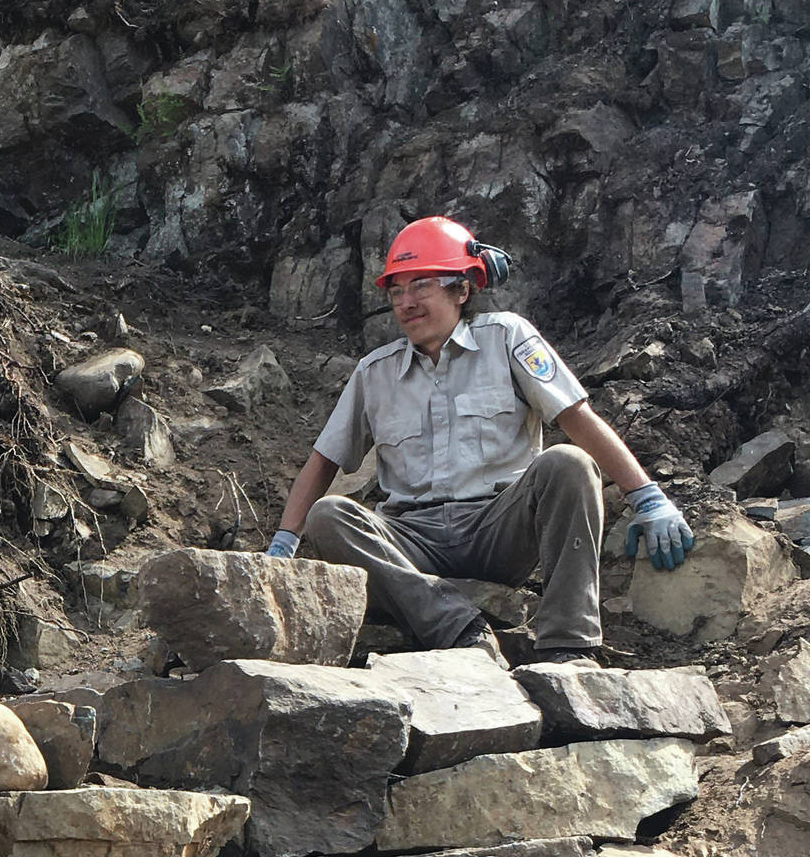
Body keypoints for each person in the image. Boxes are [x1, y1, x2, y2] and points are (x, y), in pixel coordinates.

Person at [266, 215, 693, 664]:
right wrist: (283, 545)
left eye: (420, 286)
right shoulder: (374, 372)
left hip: (496, 529)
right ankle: (460, 629)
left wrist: (646, 496)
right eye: (396, 291)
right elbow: (322, 462)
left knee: (568, 463)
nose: (406, 302)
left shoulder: (507, 337)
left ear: (462, 289)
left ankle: (567, 645)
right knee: (329, 515)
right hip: (411, 539)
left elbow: (576, 418)